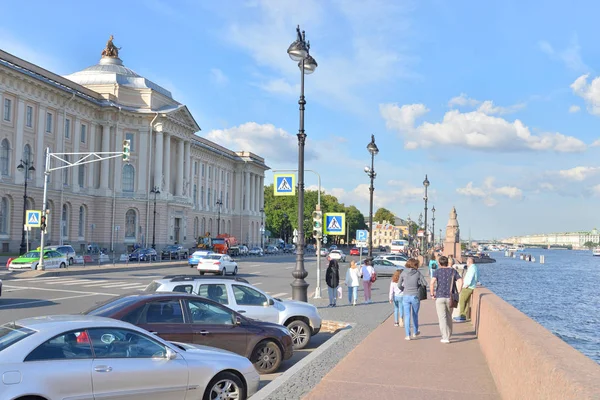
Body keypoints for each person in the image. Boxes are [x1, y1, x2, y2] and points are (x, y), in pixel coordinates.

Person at [430, 256, 463, 344]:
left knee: (442, 318)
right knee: (449, 317)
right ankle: (448, 334)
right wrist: (458, 291)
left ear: (439, 264)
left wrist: (432, 294)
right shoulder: (453, 271)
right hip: (450, 297)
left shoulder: (437, 272)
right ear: (447, 263)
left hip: (440, 297)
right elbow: (460, 281)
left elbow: (432, 283)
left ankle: (445, 337)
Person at [399, 258, 424, 340]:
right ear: (415, 265)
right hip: (415, 295)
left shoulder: (403, 273)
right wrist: (418, 285)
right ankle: (415, 331)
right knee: (415, 314)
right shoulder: (417, 273)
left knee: (407, 315)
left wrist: (404, 289)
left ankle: (407, 335)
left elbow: (399, 285)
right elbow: (424, 283)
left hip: (406, 295)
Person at [454, 257, 479, 322]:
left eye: (467, 262)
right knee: (466, 302)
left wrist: (466, 285)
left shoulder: (472, 268)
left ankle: (462, 315)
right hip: (471, 286)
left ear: (469, 262)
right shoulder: (474, 267)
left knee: (462, 300)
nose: (466, 263)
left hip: (468, 287)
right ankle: (464, 315)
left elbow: (469, 277)